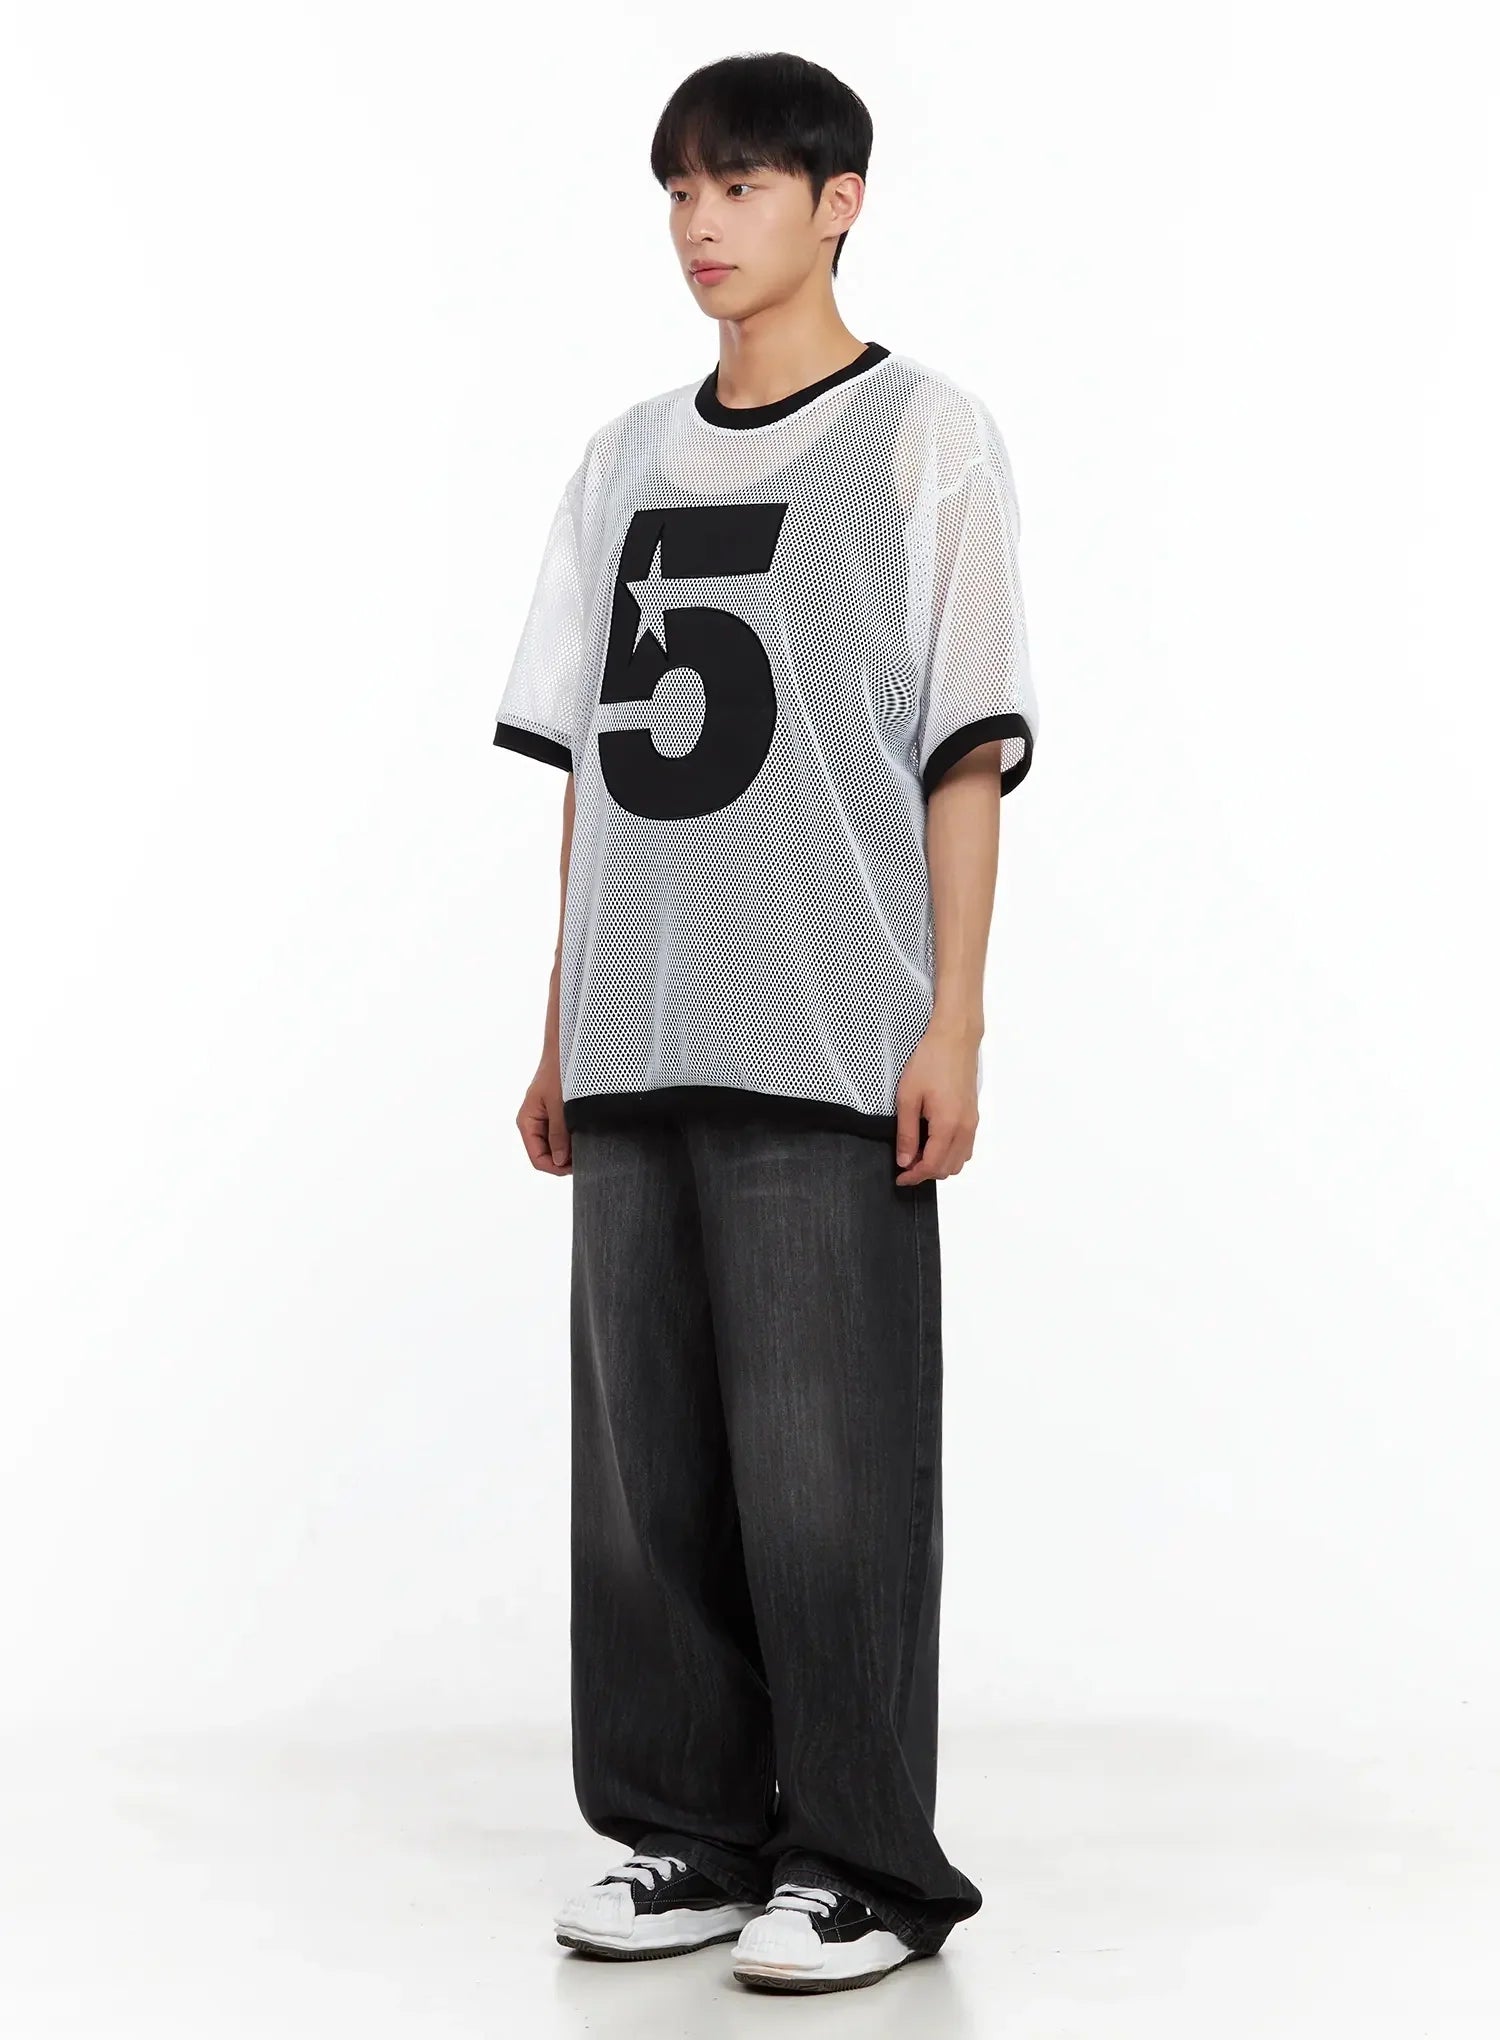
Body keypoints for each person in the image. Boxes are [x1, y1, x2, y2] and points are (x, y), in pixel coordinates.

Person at [490, 50, 1037, 1995]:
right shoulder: (622, 458)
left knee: (828, 1474)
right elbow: (592, 767)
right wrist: (560, 1024)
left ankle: (865, 1863)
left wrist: (955, 1020)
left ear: (839, 200)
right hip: (638, 1032)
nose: (701, 225)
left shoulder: (922, 441)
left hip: (827, 1031)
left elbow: (963, 751)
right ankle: (691, 1836)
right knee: (648, 1479)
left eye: (739, 186)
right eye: (680, 191)